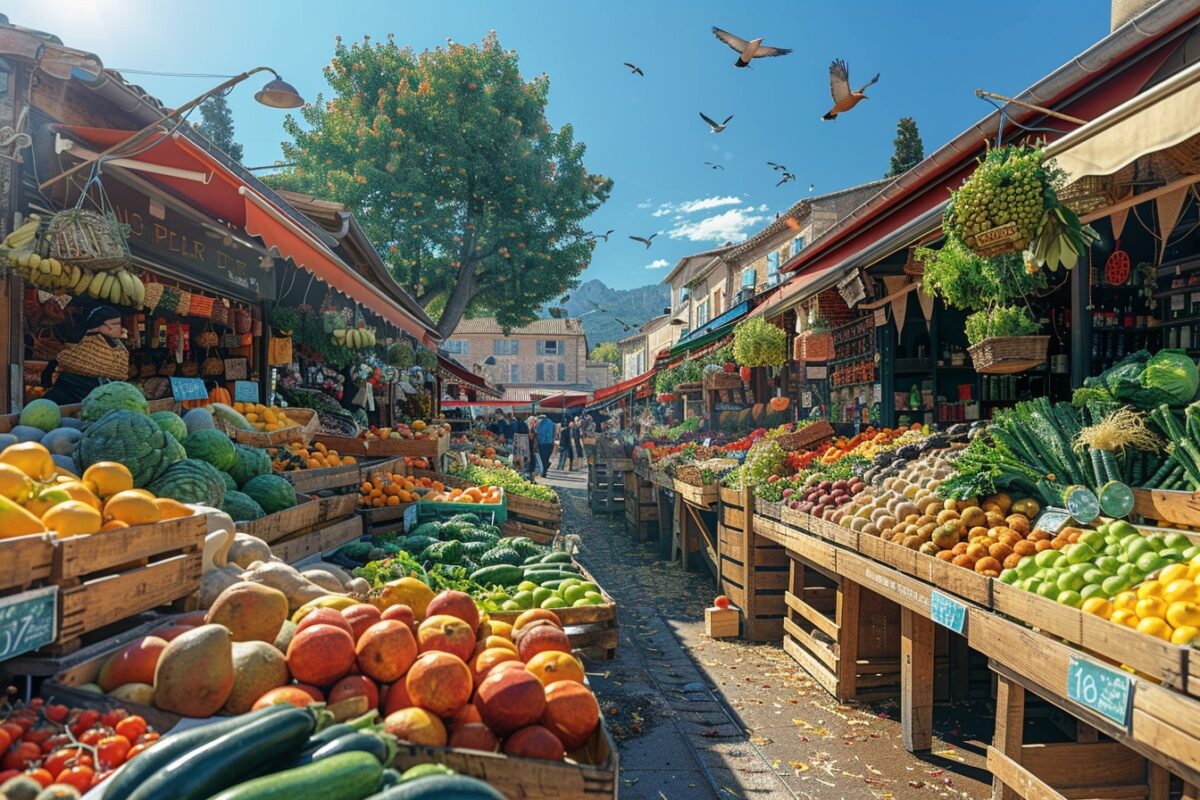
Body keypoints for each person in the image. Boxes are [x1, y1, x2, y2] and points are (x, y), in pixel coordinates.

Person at [43, 305, 129, 405]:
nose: (120, 328)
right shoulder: (101, 346)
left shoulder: (80, 340)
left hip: (66, 397)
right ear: (104, 325)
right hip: (88, 400)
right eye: (117, 324)